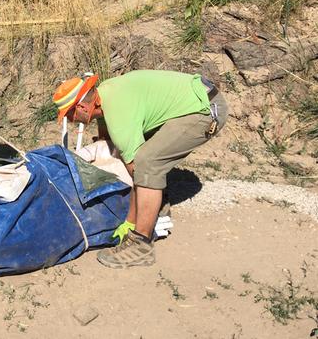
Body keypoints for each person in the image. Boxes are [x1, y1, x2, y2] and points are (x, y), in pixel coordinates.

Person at [52, 70, 228, 268]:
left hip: (204, 111)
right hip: (198, 97)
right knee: (142, 159)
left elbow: (136, 172)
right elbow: (107, 141)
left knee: (147, 162)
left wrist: (129, 221)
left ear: (83, 107)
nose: (71, 120)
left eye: (69, 114)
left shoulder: (118, 115)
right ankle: (157, 204)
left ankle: (140, 244)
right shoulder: (107, 95)